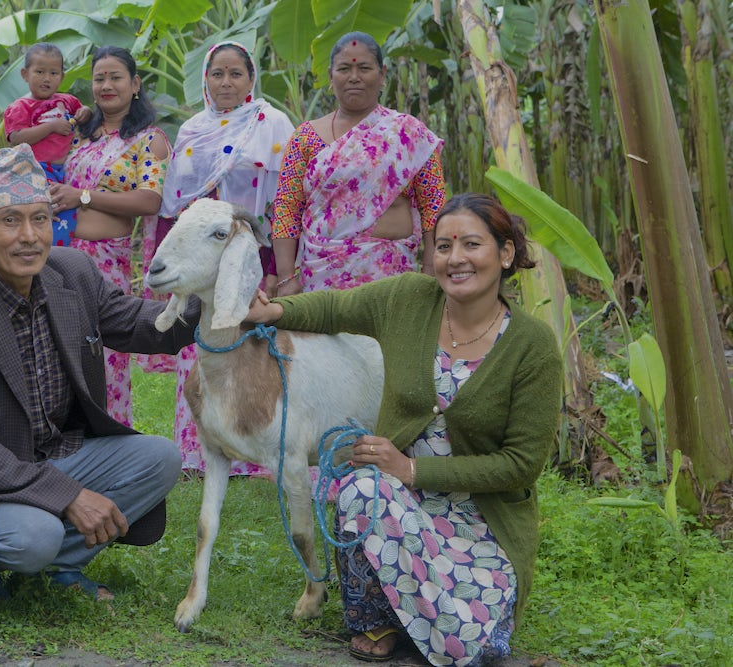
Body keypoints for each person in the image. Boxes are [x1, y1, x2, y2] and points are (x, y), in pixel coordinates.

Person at [247, 193, 563, 665]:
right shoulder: (409, 299)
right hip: (399, 501)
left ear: (506, 253)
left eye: (471, 244)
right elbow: (336, 308)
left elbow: (519, 466)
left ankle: (433, 616)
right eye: (443, 245)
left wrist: (412, 469)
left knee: (465, 647)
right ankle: (375, 617)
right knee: (361, 489)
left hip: (480, 523)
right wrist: (275, 312)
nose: (455, 259)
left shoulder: (533, 346)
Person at [0, 144, 199, 605]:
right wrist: (66, 495)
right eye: (9, 220)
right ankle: (3, 556)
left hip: (58, 453)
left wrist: (214, 304)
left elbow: (141, 324)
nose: (29, 237)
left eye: (39, 219)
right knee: (34, 536)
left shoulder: (73, 273)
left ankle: (63, 564)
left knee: (160, 458)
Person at [157, 41, 295, 476]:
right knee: (201, 347)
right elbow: (173, 207)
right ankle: (202, 451)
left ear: (252, 79)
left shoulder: (271, 124)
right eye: (218, 73)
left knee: (251, 347)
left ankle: (255, 452)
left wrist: (274, 268)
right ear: (206, 79)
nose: (226, 82)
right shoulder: (193, 130)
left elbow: (285, 206)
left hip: (252, 253)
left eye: (236, 73)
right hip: (201, 262)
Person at [270, 31, 447, 297]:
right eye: (344, 68)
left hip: (393, 283)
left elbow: (434, 206)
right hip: (321, 283)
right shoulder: (305, 138)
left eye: (364, 68)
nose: (354, 77)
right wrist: (285, 278)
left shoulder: (409, 133)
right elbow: (286, 209)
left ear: (382, 74)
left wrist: (431, 272)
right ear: (331, 76)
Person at [48, 46, 170, 427]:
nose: (106, 85)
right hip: (60, 255)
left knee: (105, 354)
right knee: (58, 348)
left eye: (115, 77)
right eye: (99, 78)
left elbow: (149, 200)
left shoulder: (149, 141)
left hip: (106, 266)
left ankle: (111, 439)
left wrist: (81, 196)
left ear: (134, 84)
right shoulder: (81, 136)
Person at [4, 43, 93, 248]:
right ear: (25, 74)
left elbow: (84, 111)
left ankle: (59, 252)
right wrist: (51, 126)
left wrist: (85, 112)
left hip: (66, 171)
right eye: (40, 72)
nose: (47, 78)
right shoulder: (20, 107)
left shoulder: (67, 101)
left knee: (66, 212)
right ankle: (46, 252)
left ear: (62, 77)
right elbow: (17, 138)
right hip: (36, 170)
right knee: (45, 215)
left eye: (53, 73)